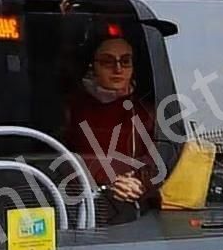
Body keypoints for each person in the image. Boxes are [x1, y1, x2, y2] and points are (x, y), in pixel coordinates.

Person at [62, 35, 162, 214]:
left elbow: (159, 161)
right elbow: (58, 160)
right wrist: (109, 182)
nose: (118, 69)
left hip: (135, 212)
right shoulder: (72, 109)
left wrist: (139, 183)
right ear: (92, 66)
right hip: (82, 208)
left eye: (125, 61)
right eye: (108, 62)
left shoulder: (147, 113)